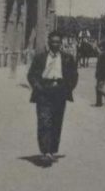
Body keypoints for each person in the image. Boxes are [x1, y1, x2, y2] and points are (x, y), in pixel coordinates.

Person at [27, 32, 79, 164]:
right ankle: (45, 152)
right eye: (53, 42)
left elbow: (74, 75)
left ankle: (52, 150)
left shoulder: (68, 58)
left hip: (59, 92)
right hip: (44, 91)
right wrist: (38, 87)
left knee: (56, 122)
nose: (55, 44)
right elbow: (31, 75)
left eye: (57, 42)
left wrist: (68, 88)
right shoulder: (40, 58)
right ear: (48, 43)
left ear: (60, 43)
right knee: (44, 121)